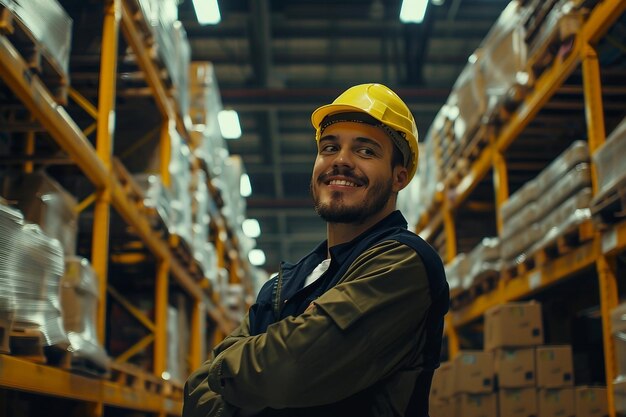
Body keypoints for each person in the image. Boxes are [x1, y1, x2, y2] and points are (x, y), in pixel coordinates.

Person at [183, 83, 449, 417]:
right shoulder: (283, 284)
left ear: (399, 177)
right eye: (329, 147)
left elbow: (289, 371)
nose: (341, 161)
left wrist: (231, 377)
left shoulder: (403, 263)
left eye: (366, 151)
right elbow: (196, 390)